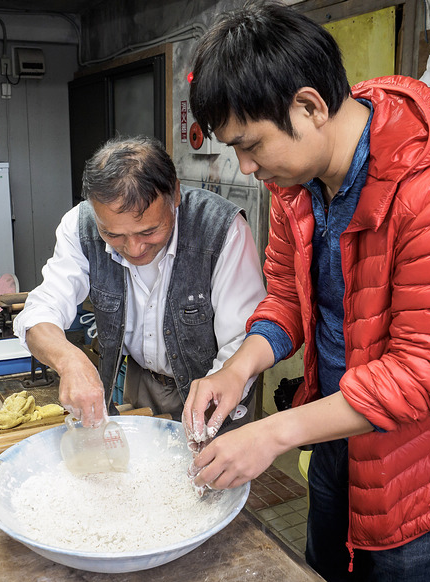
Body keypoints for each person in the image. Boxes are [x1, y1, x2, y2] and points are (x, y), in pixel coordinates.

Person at [182, 3, 430, 582]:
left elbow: (427, 375)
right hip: (339, 431)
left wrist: (274, 433)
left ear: (310, 106)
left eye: (251, 144)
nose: (244, 166)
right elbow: (288, 297)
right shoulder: (296, 187)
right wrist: (238, 368)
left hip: (427, 465)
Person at [14, 135, 266, 430]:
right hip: (140, 381)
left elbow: (243, 337)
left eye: (148, 232)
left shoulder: (221, 228)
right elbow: (41, 311)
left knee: (211, 473)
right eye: (114, 235)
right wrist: (70, 361)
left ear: (175, 195)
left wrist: (219, 389)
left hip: (215, 386)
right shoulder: (80, 226)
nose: (134, 249)